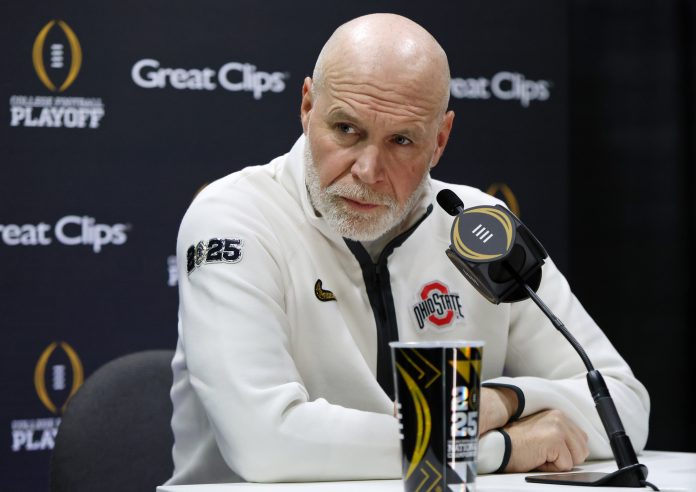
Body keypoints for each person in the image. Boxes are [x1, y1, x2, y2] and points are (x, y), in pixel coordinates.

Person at [166, 13, 649, 485]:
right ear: (308, 106)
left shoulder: (476, 226)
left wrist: (503, 400)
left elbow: (623, 406)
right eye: (346, 130)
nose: (368, 170)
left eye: (401, 140)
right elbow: (264, 442)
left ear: (439, 140)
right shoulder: (235, 218)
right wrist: (493, 448)